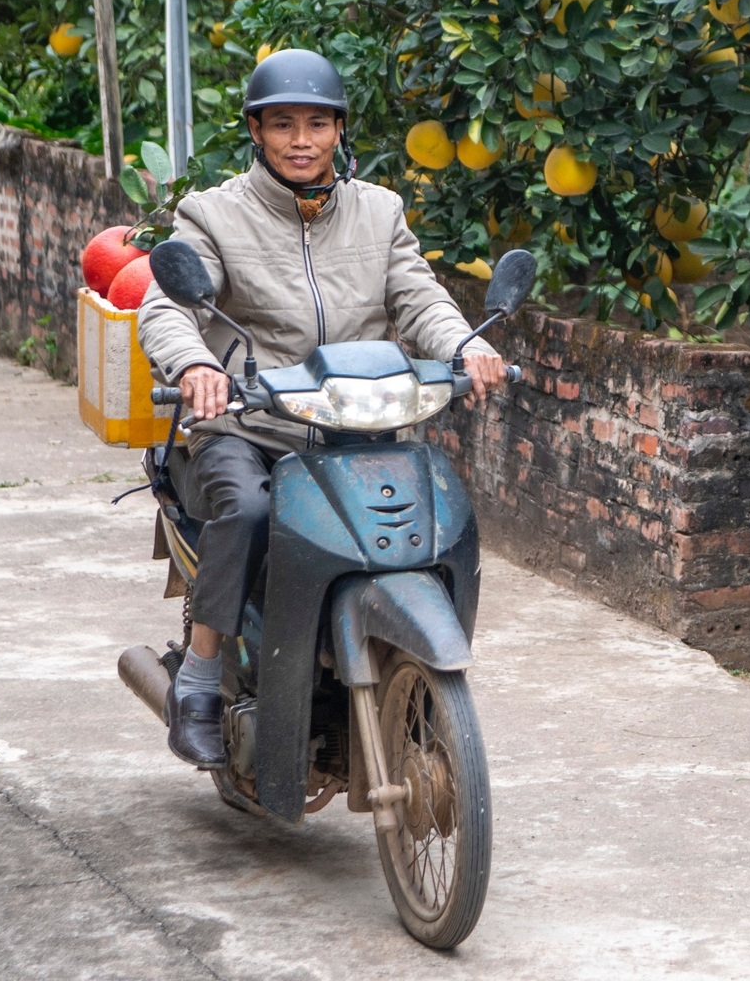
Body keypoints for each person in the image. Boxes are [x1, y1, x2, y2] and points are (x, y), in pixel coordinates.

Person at [137, 48, 507, 768]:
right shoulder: (212, 214)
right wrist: (195, 364)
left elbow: (418, 295)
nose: (301, 140)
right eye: (283, 125)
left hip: (357, 426)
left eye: (316, 123)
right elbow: (168, 306)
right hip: (250, 425)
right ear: (256, 131)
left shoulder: (379, 211)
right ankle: (202, 677)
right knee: (245, 510)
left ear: (340, 131)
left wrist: (465, 343)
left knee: (437, 516)